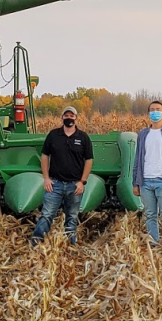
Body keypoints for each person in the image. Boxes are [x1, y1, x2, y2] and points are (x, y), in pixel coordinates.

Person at [31, 105, 94, 246]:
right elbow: (45, 156)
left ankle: (70, 244)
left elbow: (89, 160)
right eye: (66, 116)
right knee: (47, 214)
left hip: (75, 185)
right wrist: (46, 178)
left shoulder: (83, 138)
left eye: (72, 116)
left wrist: (82, 181)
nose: (69, 118)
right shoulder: (53, 135)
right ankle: (36, 242)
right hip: (55, 184)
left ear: (76, 118)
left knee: (72, 217)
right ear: (62, 118)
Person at [132, 100, 162, 246]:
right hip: (146, 181)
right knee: (150, 215)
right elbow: (138, 159)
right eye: (152, 109)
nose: (155, 112)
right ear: (148, 113)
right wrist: (136, 183)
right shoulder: (143, 134)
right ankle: (153, 241)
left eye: (158, 109)